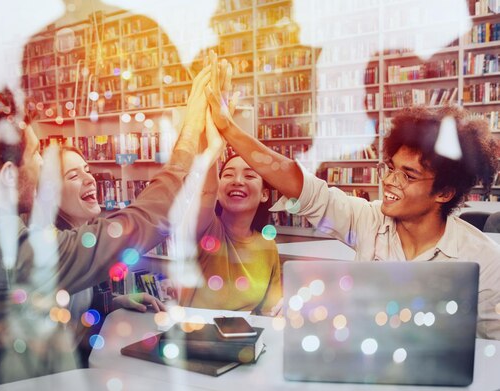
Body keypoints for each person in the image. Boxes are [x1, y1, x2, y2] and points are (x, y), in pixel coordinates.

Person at [0, 60, 213, 389]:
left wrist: (106, 305)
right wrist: (191, 130)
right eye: (36, 154)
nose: (42, 166)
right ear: (7, 176)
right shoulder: (9, 254)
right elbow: (140, 223)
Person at [204, 52, 500, 340]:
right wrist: (228, 127)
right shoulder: (368, 220)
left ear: (445, 192)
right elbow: (302, 186)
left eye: (408, 176)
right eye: (391, 169)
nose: (388, 182)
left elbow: (494, 349)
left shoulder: (485, 260)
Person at [53, 145, 165, 366]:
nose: (90, 179)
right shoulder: (58, 250)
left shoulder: (85, 238)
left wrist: (118, 302)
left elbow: (83, 309)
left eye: (87, 170)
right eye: (74, 175)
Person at [179, 152, 282, 315]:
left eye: (249, 176)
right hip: (197, 336)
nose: (237, 181)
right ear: (217, 191)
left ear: (264, 194)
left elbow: (270, 311)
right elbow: (206, 190)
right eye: (228, 175)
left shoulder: (268, 245)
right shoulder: (206, 229)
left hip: (247, 337)